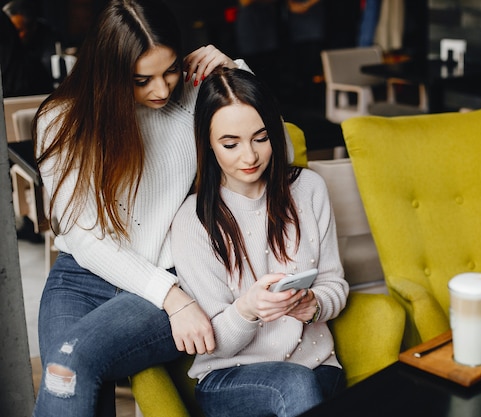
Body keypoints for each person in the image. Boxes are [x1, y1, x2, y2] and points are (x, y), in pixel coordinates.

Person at [31, 1, 251, 415]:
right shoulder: (61, 121)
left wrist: (235, 76)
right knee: (67, 381)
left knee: (70, 363)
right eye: (141, 79)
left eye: (169, 70)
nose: (161, 90)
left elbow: (275, 154)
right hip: (82, 278)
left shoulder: (195, 95)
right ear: (108, 72)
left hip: (170, 273)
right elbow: (85, 237)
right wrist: (174, 300)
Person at [170, 67, 349, 417]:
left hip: (317, 367)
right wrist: (247, 309)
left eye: (260, 138)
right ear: (207, 142)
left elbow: (336, 285)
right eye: (230, 144)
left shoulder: (309, 190)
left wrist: (312, 304)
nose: (249, 157)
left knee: (303, 384)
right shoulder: (192, 220)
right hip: (229, 377)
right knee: (295, 385)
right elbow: (215, 343)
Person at [2, 0, 60, 82]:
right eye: (9, 31)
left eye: (18, 31)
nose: (12, 36)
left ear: (33, 27)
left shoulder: (49, 40)